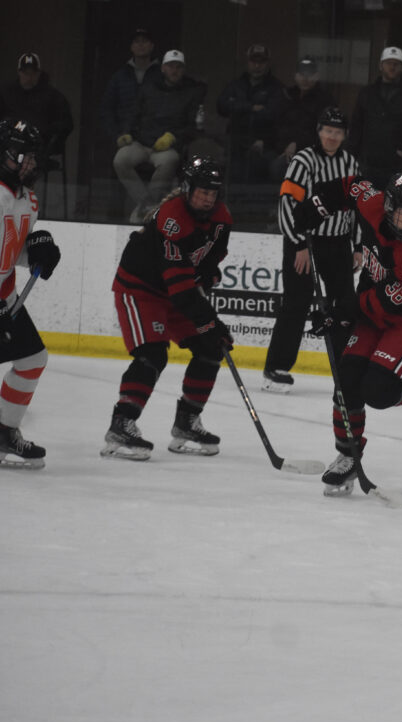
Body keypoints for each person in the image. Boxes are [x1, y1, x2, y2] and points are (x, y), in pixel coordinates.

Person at [291, 173, 402, 495]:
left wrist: (338, 313)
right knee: (347, 379)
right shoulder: (373, 205)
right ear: (389, 207)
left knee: (378, 391)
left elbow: (388, 306)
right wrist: (318, 206)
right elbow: (351, 186)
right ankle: (348, 456)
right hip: (373, 304)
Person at [101, 156, 234, 461]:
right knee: (153, 354)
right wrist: (210, 321)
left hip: (174, 292)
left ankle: (187, 422)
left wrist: (208, 275)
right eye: (202, 192)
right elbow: (183, 289)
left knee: (210, 348)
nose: (208, 198)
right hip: (140, 290)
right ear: (187, 189)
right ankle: (122, 423)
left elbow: (208, 262)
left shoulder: (222, 218)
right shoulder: (171, 219)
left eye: (213, 193)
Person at [263, 106, 361, 393]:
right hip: (306, 241)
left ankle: (346, 369)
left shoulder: (351, 164)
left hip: (339, 243)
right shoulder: (303, 161)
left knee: (345, 305)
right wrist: (298, 244)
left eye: (337, 132)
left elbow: (358, 208)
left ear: (344, 135)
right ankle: (276, 367)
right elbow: (287, 203)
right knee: (297, 301)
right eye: (328, 130)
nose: (332, 136)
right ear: (319, 131)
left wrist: (358, 245)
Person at [0, 120, 61, 469]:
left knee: (32, 359)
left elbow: (7, 252)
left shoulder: (28, 198)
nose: (27, 163)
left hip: (4, 297)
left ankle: (4, 433)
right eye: (19, 155)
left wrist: (36, 251)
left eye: (32, 156)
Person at [112, 49, 204, 223]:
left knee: (169, 161)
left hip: (167, 147)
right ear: (163, 68)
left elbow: (193, 127)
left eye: (178, 67)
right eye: (170, 66)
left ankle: (146, 207)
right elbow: (133, 114)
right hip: (142, 142)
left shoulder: (191, 92)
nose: (174, 70)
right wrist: (125, 133)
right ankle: (147, 205)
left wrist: (173, 137)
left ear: (183, 70)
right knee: (120, 159)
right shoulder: (149, 88)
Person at [348, 46, 402, 188]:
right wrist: (351, 157)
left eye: (396, 64)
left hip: (398, 166)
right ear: (381, 66)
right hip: (368, 165)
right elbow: (356, 126)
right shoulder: (367, 94)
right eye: (388, 63)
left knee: (396, 201)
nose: (392, 67)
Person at [216, 44, 285, 183]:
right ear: (247, 62)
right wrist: (250, 107)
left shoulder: (276, 87)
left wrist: (264, 140)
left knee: (259, 167)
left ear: (267, 64)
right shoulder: (236, 85)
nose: (257, 66)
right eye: (254, 61)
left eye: (261, 62)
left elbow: (273, 115)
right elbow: (222, 106)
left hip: (264, 144)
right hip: (236, 142)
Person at [269, 57, 336, 183]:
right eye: (302, 74)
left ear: (316, 76)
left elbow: (326, 133)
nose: (305, 79)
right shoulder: (287, 96)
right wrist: (286, 145)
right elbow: (277, 126)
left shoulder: (325, 100)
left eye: (309, 75)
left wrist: (297, 144)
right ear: (295, 76)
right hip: (283, 150)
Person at [99, 29, 162, 160]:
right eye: (136, 41)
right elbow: (107, 108)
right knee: (121, 162)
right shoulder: (120, 76)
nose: (140, 45)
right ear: (131, 47)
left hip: (156, 138)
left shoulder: (162, 75)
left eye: (144, 41)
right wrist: (116, 135)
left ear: (152, 46)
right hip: (126, 137)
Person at [0, 53, 74, 161]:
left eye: (33, 73)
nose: (29, 77)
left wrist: (45, 138)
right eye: (25, 73)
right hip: (8, 146)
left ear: (39, 73)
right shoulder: (6, 93)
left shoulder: (53, 96)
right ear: (19, 72)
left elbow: (65, 123)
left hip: (37, 148)